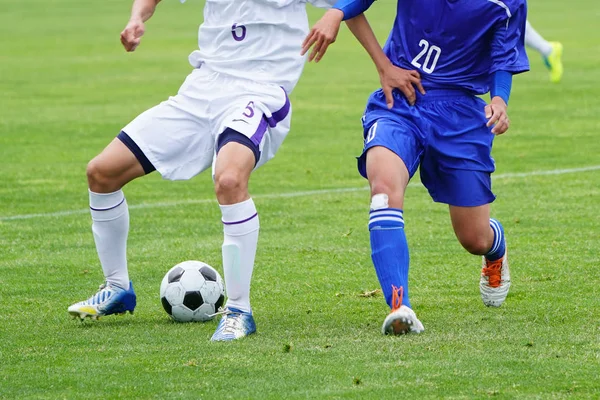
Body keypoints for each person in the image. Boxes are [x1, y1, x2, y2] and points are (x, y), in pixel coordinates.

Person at [67, 0, 336, 342]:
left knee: (229, 179)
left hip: (258, 91)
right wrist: (137, 17)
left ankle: (239, 310)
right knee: (102, 172)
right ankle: (117, 287)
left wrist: (335, 14)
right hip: (201, 90)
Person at [302, 0, 529, 335]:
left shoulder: (506, 3)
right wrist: (337, 15)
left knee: (474, 238)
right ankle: (400, 306)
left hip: (460, 113)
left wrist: (499, 100)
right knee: (383, 191)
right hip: (400, 99)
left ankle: (495, 248)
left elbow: (503, 54)